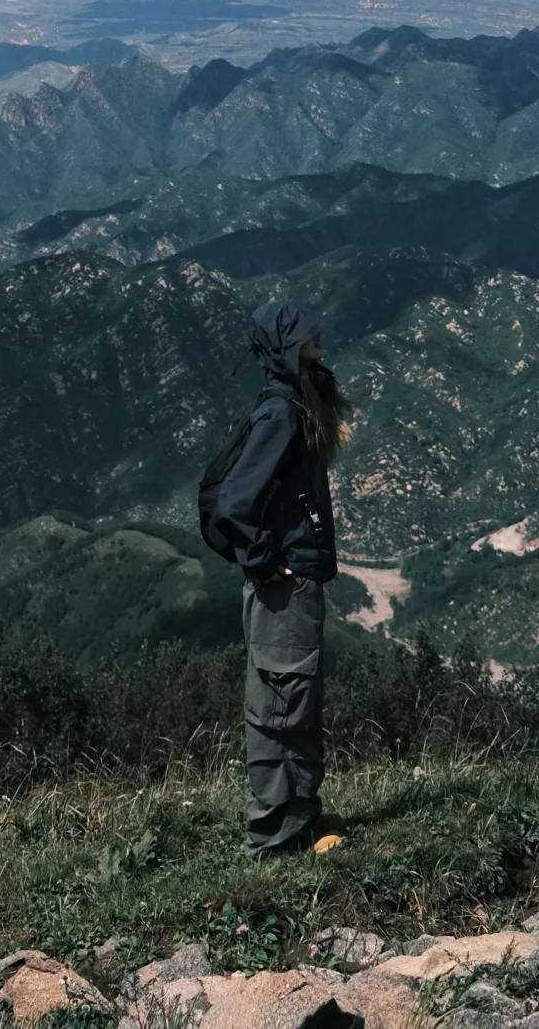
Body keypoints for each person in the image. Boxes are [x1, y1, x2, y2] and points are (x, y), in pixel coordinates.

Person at [212, 299, 352, 858]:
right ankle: (274, 839)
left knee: (295, 697)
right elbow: (234, 502)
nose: (320, 340)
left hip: (293, 584)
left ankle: (302, 819)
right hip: (283, 587)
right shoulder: (283, 413)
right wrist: (266, 560)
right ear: (290, 347)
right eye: (309, 337)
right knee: (278, 705)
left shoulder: (297, 402)